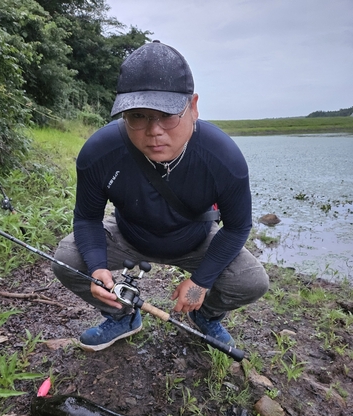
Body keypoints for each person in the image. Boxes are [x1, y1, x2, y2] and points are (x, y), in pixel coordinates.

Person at [52, 40, 269, 352]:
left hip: (194, 240)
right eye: (138, 116)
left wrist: (201, 282)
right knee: (67, 259)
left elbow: (237, 227)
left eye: (167, 115)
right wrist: (98, 267)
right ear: (123, 115)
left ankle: (206, 314)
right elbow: (87, 218)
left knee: (251, 281)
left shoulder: (223, 158)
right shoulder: (99, 153)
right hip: (129, 235)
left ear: (193, 108)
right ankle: (122, 315)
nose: (153, 131)